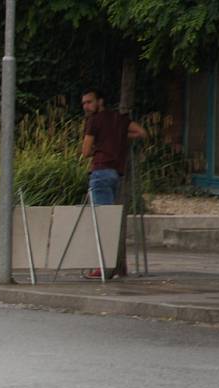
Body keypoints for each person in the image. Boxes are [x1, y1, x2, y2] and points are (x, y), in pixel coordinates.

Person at [81, 88, 147, 278]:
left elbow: (85, 151)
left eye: (89, 102)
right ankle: (109, 264)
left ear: (100, 101)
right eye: (84, 103)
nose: (86, 106)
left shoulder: (93, 121)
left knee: (101, 221)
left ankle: (102, 267)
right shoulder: (119, 119)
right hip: (116, 174)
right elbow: (142, 132)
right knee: (109, 218)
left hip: (100, 172)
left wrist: (99, 148)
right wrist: (120, 139)